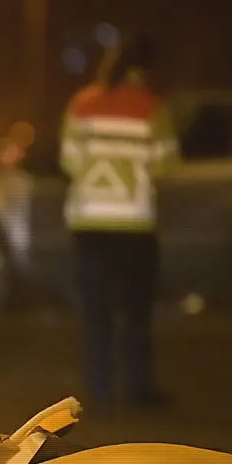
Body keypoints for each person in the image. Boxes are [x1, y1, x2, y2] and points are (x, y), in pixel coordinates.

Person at [60, 34, 178, 413]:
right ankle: (138, 389)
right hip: (135, 227)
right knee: (135, 313)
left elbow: (68, 160)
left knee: (96, 313)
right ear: (145, 70)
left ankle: (99, 391)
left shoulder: (82, 104)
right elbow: (166, 164)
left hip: (89, 224)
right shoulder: (152, 108)